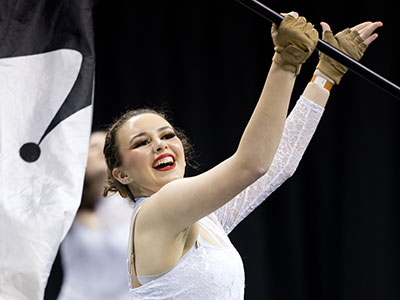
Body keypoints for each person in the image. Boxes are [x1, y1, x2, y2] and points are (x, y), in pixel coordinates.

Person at [102, 13, 382, 299]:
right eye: (141, 143)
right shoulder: (159, 209)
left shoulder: (202, 218)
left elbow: (276, 163)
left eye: (167, 135)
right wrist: (285, 62)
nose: (160, 145)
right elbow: (252, 164)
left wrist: (325, 76)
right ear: (121, 174)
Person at [57, 131, 132, 300]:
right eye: (93, 146)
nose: (101, 150)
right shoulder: (67, 207)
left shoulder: (139, 206)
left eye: (107, 146)